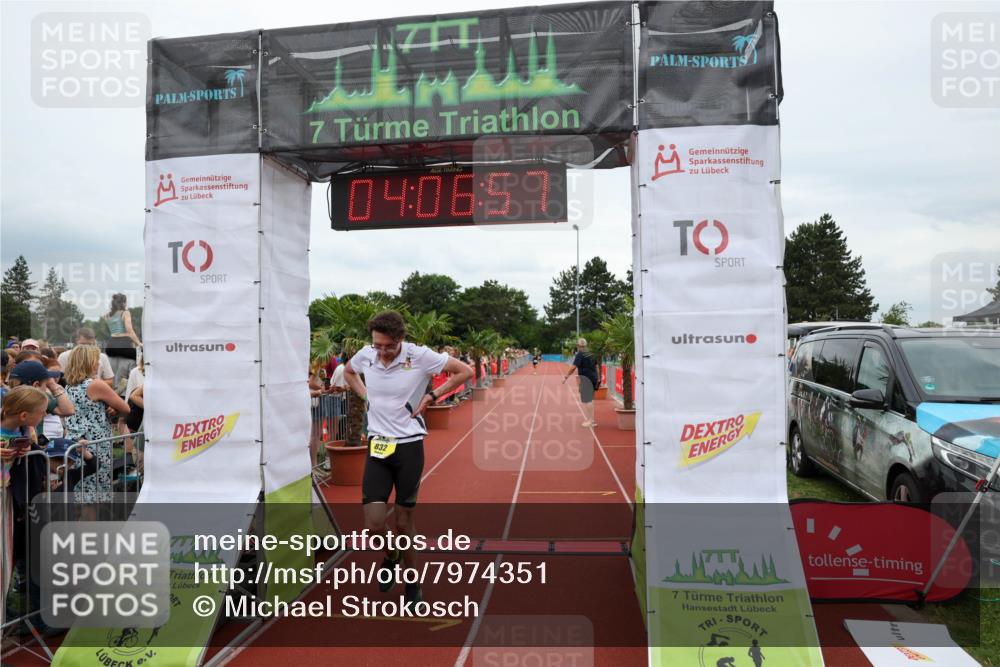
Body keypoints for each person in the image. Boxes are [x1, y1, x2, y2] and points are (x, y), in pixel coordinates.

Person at [343, 310, 472, 608]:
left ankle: (413, 583)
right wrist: (365, 396)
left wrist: (432, 395)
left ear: (401, 339)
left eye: (389, 346)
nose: (383, 352)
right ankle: (392, 554)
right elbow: (349, 372)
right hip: (378, 446)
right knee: (374, 524)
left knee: (403, 523)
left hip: (409, 447)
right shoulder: (367, 355)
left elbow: (464, 370)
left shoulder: (420, 356)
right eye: (378, 346)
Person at [1, 385, 49, 633]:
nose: (43, 417)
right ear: (23, 414)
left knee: (8, 561)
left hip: (11, 504)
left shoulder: (23, 431)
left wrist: (30, 446)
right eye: (40, 412)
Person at [63, 346, 130, 509]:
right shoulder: (95, 385)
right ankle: (90, 533)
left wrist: (109, 410)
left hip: (75, 444)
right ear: (86, 362)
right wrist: (115, 409)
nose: (98, 363)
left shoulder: (68, 386)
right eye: (95, 359)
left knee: (81, 496)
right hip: (95, 447)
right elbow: (126, 409)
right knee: (92, 500)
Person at [104, 293, 143, 394]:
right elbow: (129, 331)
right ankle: (131, 389)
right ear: (124, 302)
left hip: (110, 345)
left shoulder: (107, 315)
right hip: (123, 344)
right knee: (140, 362)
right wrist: (139, 343)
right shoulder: (125, 313)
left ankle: (114, 390)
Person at [562, 338, 599, 428]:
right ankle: (591, 419)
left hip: (586, 379)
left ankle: (590, 420)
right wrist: (598, 378)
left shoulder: (580, 354)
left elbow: (573, 367)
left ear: (578, 346)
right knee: (590, 399)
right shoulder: (592, 353)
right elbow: (597, 366)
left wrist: (566, 376)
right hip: (593, 378)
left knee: (587, 399)